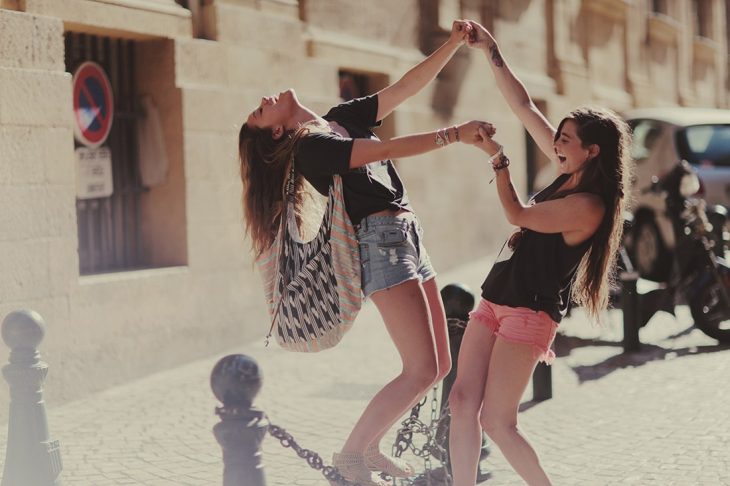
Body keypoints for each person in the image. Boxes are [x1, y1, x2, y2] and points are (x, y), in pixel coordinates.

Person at [239, 21, 493, 486]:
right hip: (382, 243)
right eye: (261, 110)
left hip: (409, 234)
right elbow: (389, 148)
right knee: (419, 368)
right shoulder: (311, 148)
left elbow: (404, 88)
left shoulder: (339, 119)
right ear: (275, 132)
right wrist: (455, 134)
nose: (267, 97)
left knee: (438, 366)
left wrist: (453, 44)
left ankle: (370, 446)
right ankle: (352, 454)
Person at [447, 21, 633, 486]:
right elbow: (524, 105)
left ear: (592, 151)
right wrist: (491, 49)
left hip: (528, 314)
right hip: (495, 299)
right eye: (559, 136)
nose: (556, 144)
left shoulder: (588, 206)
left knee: (498, 421)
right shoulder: (568, 173)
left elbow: (517, 215)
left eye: (565, 140)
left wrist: (498, 159)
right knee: (462, 403)